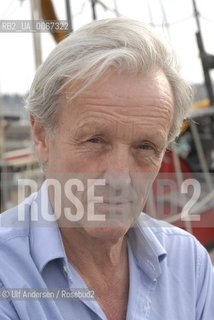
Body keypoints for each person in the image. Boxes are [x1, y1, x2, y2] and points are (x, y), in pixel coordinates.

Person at [0, 17, 213, 320]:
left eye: (144, 147)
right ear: (41, 135)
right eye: (95, 140)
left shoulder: (190, 265)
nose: (119, 177)